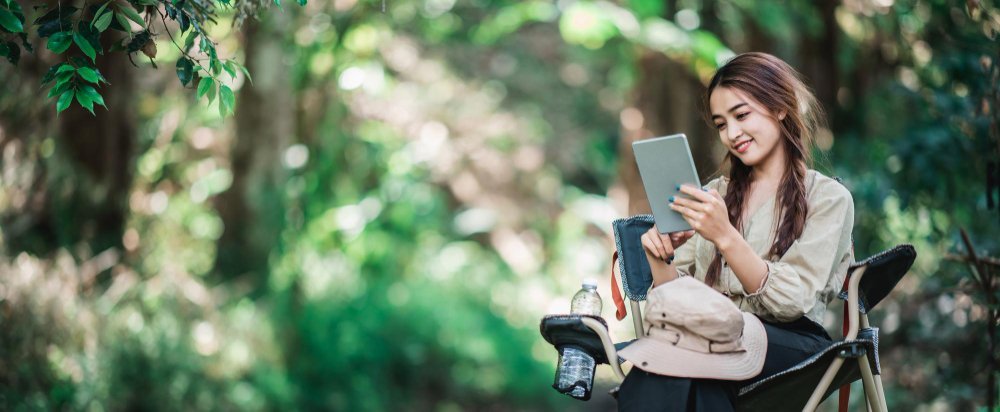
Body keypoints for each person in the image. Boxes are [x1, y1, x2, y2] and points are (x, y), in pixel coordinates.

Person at [616, 52, 855, 411]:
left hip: (792, 343)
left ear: (780, 108)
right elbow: (681, 304)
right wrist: (659, 256)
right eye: (721, 124)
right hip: (711, 340)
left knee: (687, 363)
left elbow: (792, 303)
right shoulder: (714, 195)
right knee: (666, 369)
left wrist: (725, 236)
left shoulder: (829, 198)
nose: (732, 133)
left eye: (741, 115)